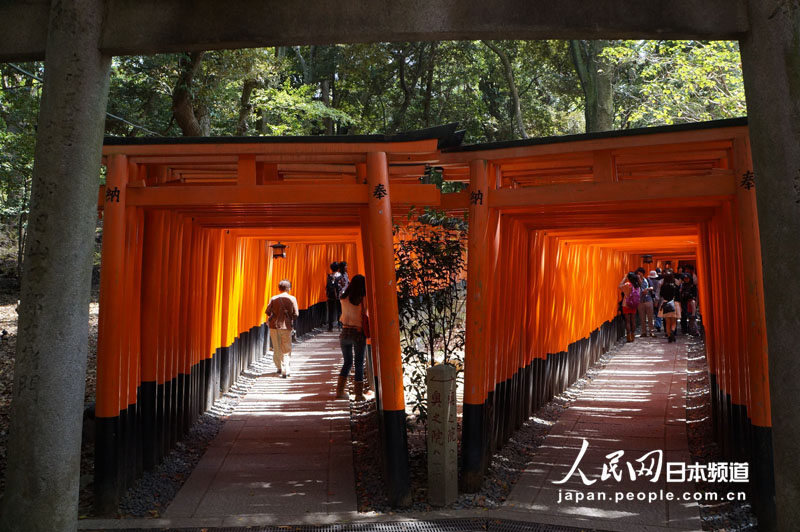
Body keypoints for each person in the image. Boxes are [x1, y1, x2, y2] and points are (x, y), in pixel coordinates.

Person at [336, 274, 368, 401]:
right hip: (358, 332)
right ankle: (359, 395)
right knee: (359, 363)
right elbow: (365, 313)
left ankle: (340, 392)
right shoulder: (362, 299)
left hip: (344, 332)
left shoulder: (343, 298)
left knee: (347, 362)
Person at [266, 279, 299, 378]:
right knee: (286, 348)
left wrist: (275, 314)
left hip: (274, 325)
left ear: (279, 288)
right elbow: (296, 314)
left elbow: (267, 311)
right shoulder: (292, 299)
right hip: (286, 326)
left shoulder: (273, 298)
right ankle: (286, 370)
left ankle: (279, 367)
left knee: (276, 347)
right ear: (289, 288)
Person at [658, 272, 681, 343]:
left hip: (666, 303)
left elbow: (661, 294)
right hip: (674, 303)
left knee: (667, 322)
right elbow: (678, 296)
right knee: (674, 321)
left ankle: (668, 335)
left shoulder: (663, 286)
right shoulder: (675, 286)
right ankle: (672, 331)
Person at [619, 272, 641, 343]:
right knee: (633, 320)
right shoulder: (637, 286)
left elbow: (620, 286)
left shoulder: (627, 285)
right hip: (634, 305)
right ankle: (633, 335)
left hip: (626, 304)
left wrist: (624, 278)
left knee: (627, 321)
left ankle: (628, 337)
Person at [636, 267, 655, 337]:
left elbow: (652, 287)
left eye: (639, 273)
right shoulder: (636, 282)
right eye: (637, 273)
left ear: (642, 273)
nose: (638, 274)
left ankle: (651, 331)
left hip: (648, 300)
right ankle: (643, 332)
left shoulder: (647, 280)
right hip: (640, 301)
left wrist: (647, 289)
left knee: (650, 317)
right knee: (642, 318)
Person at [325, 262, 344, 332]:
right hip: (339, 295)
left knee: (331, 311)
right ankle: (340, 325)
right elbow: (342, 284)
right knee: (339, 311)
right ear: (338, 268)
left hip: (331, 296)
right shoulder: (340, 276)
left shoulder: (329, 276)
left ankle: (330, 327)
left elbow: (327, 286)